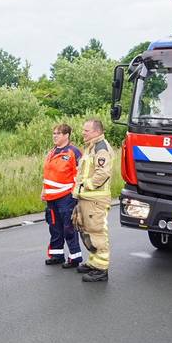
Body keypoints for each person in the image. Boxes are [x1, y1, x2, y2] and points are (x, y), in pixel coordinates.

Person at [73, 119, 114, 282]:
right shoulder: (91, 147)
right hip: (87, 198)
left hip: (95, 199)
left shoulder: (101, 148)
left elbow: (102, 173)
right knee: (88, 231)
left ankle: (101, 269)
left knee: (97, 232)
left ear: (97, 132)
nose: (83, 132)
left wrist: (87, 186)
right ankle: (93, 262)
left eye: (86, 130)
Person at [42, 123, 83, 268]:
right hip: (51, 198)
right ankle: (56, 255)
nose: (55, 136)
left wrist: (76, 195)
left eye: (58, 133)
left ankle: (75, 257)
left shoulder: (74, 152)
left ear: (66, 135)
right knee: (54, 227)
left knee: (68, 228)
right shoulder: (51, 152)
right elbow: (47, 174)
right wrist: (44, 191)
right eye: (54, 133)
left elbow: (80, 175)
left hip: (66, 197)